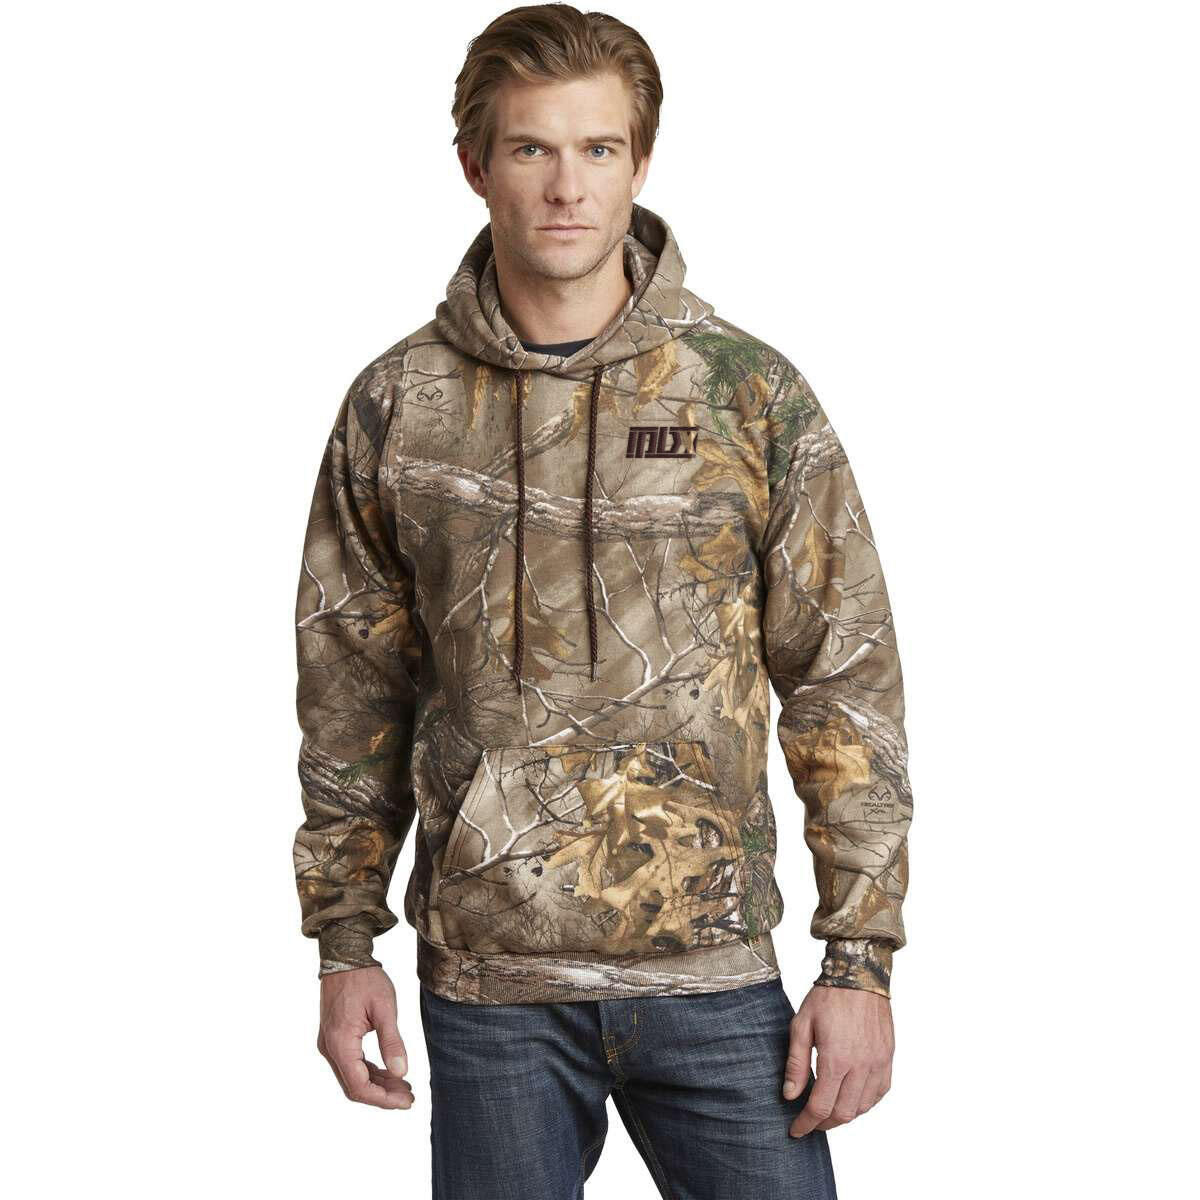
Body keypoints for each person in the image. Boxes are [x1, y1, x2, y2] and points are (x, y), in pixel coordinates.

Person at [291, 6, 912, 1197]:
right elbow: (348, 694)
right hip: (491, 991)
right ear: (475, 165)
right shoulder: (397, 407)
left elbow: (845, 680)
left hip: (713, 976)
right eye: (531, 148)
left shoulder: (746, 395)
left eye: (598, 149)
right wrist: (343, 940)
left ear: (641, 162)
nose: (566, 186)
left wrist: (859, 962)